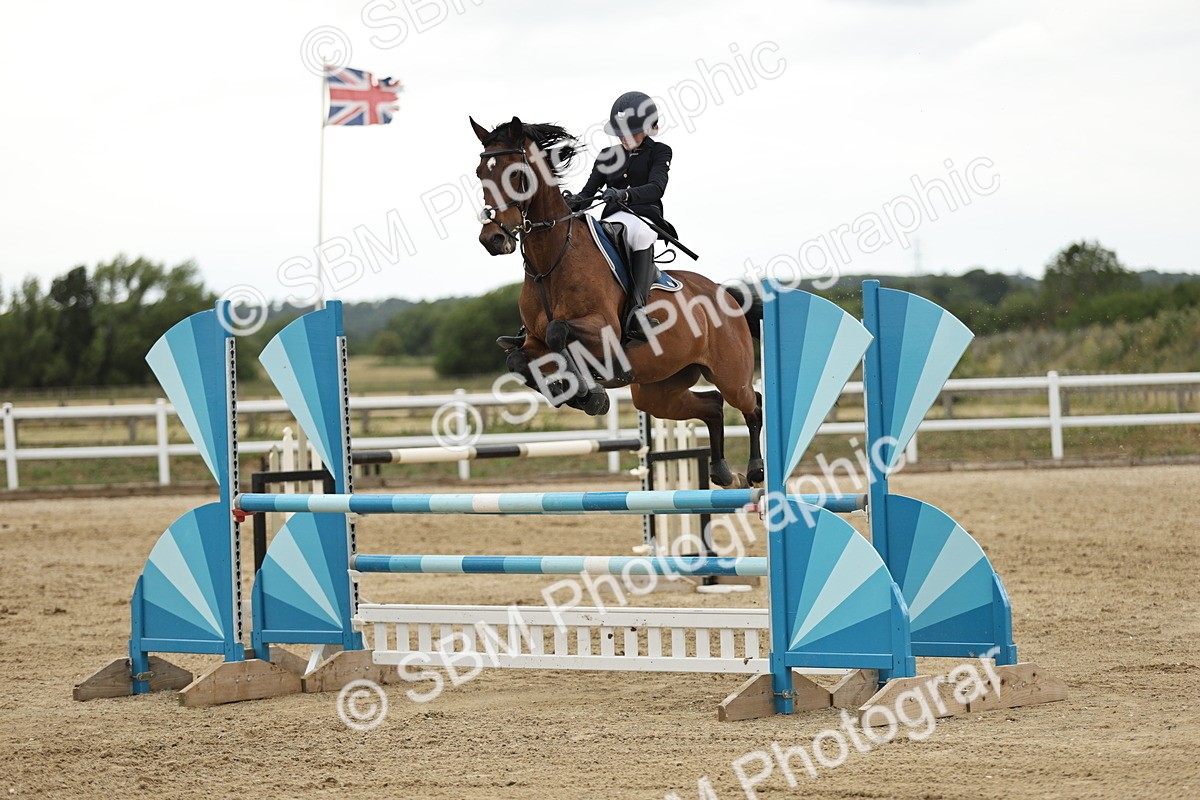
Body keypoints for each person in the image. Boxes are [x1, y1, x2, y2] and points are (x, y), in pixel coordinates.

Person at [496, 91, 677, 350]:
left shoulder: (659, 152)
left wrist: (625, 193)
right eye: (620, 132)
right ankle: (534, 325)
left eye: (630, 131)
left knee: (640, 234)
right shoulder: (607, 155)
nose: (623, 137)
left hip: (643, 216)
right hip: (612, 217)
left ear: (647, 128)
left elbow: (657, 187)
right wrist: (571, 202)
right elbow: (588, 193)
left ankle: (637, 311)